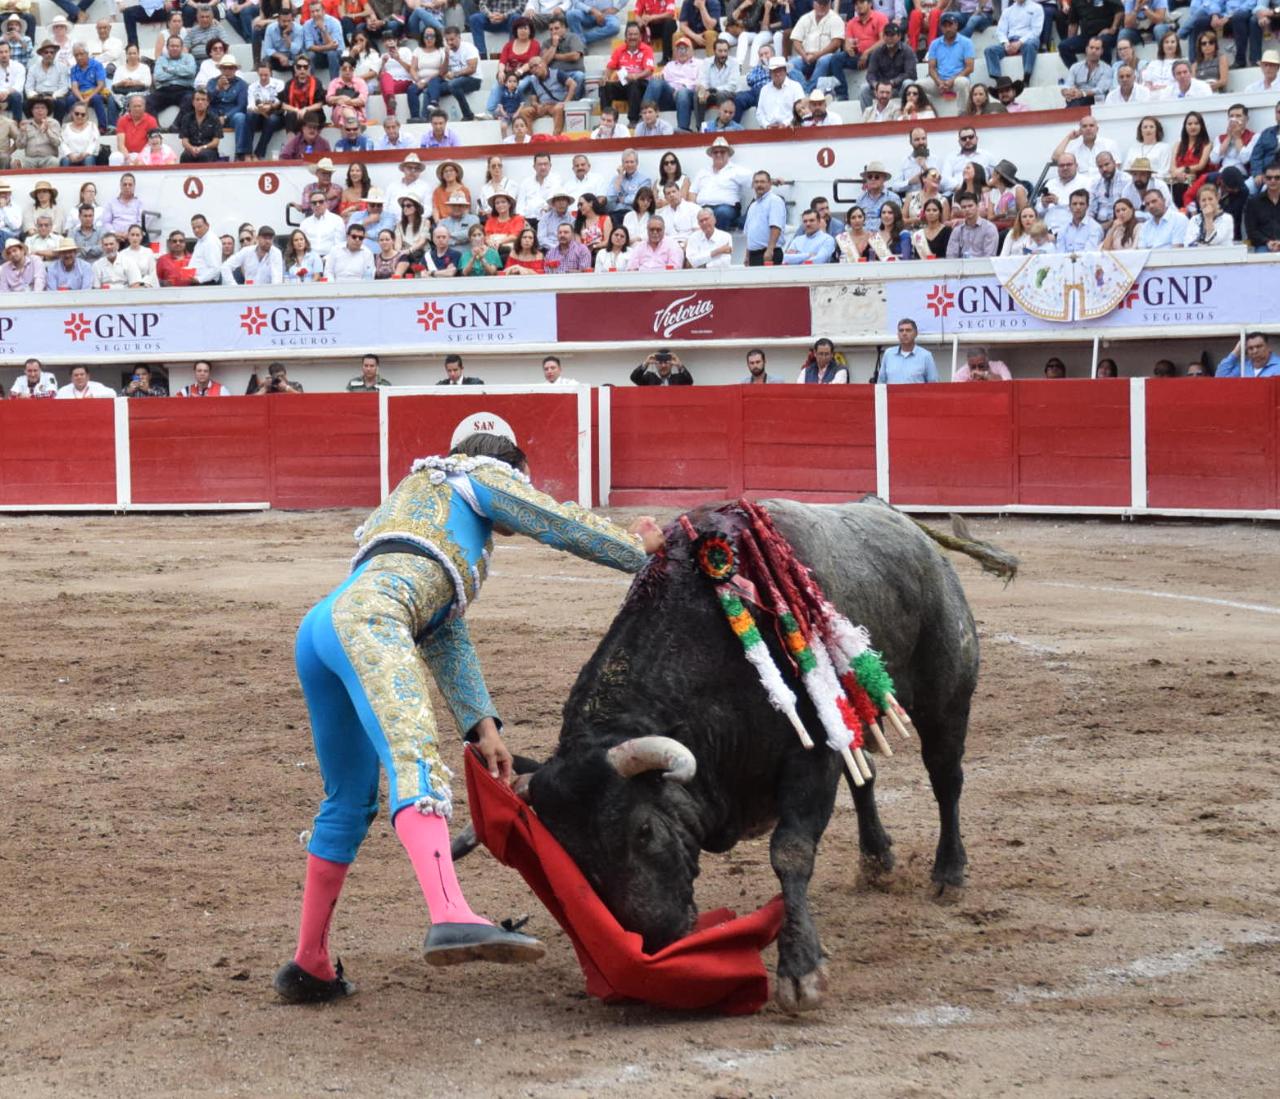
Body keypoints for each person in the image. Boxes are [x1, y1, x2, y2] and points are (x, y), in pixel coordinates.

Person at [275, 430, 663, 1004]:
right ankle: (449, 910)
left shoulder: (418, 501)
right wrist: (635, 546)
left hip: (325, 628)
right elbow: (554, 521)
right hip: (372, 622)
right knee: (414, 758)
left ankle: (310, 964)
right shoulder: (477, 473)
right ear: (511, 467)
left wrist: (484, 728)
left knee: (348, 801)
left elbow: (442, 632)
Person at [599, 22, 655, 126]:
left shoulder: (647, 49)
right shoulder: (619, 50)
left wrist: (635, 76)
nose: (632, 37)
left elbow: (649, 70)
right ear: (625, 36)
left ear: (640, 37)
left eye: (635, 34)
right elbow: (610, 67)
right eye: (630, 34)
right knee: (605, 85)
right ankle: (606, 120)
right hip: (624, 84)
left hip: (641, 85)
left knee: (634, 83)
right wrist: (605, 77)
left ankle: (633, 120)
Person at [1244, 162, 1280, 252]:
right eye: (1269, 178)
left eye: (1277, 177)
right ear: (1264, 179)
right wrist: (1267, 242)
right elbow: (1251, 231)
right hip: (1263, 245)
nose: (1273, 180)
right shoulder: (1253, 202)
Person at [1215, 333, 1279, 377]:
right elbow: (1220, 378)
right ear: (1247, 351)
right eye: (1251, 348)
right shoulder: (1244, 366)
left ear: (1268, 347)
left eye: (1259, 346)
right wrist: (1236, 352)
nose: (1255, 351)